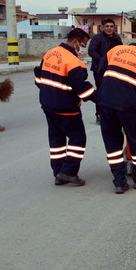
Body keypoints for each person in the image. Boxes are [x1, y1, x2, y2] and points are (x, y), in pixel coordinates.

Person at [97, 34, 136, 194]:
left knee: (112, 144)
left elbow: (100, 71)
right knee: (135, 140)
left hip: (106, 102)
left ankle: (119, 182)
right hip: (128, 105)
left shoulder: (115, 50)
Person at [34, 28, 96, 186]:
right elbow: (81, 88)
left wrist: (50, 92)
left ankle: (58, 172)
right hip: (67, 108)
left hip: (48, 105)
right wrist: (100, 98)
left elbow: (38, 77)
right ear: (75, 42)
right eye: (83, 44)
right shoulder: (74, 62)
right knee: (78, 139)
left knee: (56, 141)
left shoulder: (50, 53)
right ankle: (69, 172)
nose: (83, 48)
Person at [88, 18, 122, 124]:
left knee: (114, 92)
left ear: (114, 28)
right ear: (102, 27)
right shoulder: (97, 38)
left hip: (113, 70)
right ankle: (99, 114)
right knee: (101, 92)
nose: (109, 28)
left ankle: (112, 114)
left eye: (111, 26)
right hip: (100, 70)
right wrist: (103, 60)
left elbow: (120, 51)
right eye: (107, 26)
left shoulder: (117, 38)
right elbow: (91, 51)